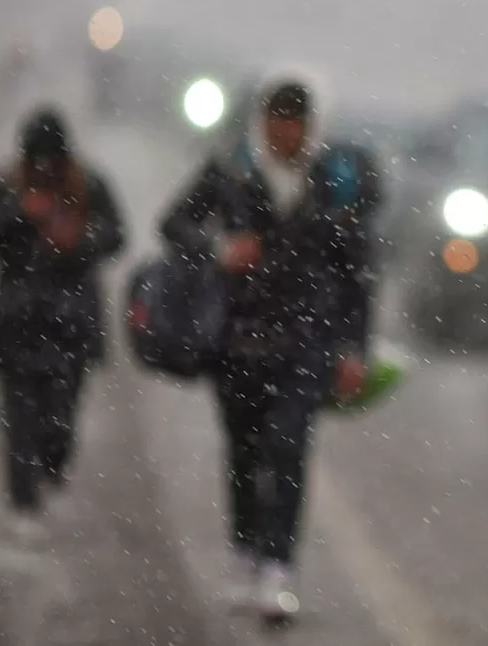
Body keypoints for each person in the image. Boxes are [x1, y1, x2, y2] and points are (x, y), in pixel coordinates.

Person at [160, 74, 381, 624]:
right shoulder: (232, 169)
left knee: (287, 447)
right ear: (261, 122)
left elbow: (357, 271)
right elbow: (174, 222)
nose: (285, 132)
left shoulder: (333, 180)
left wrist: (354, 347)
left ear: (310, 125)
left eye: (295, 121)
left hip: (306, 340)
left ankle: (278, 570)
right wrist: (220, 248)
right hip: (236, 337)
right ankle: (243, 553)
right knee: (241, 450)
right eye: (276, 120)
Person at [0, 107, 125, 534]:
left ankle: (52, 472)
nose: (44, 168)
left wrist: (79, 239)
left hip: (72, 324)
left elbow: (116, 235)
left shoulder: (90, 186)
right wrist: (19, 214)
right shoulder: (4, 186)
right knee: (18, 417)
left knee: (60, 420)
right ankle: (23, 503)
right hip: (17, 321)